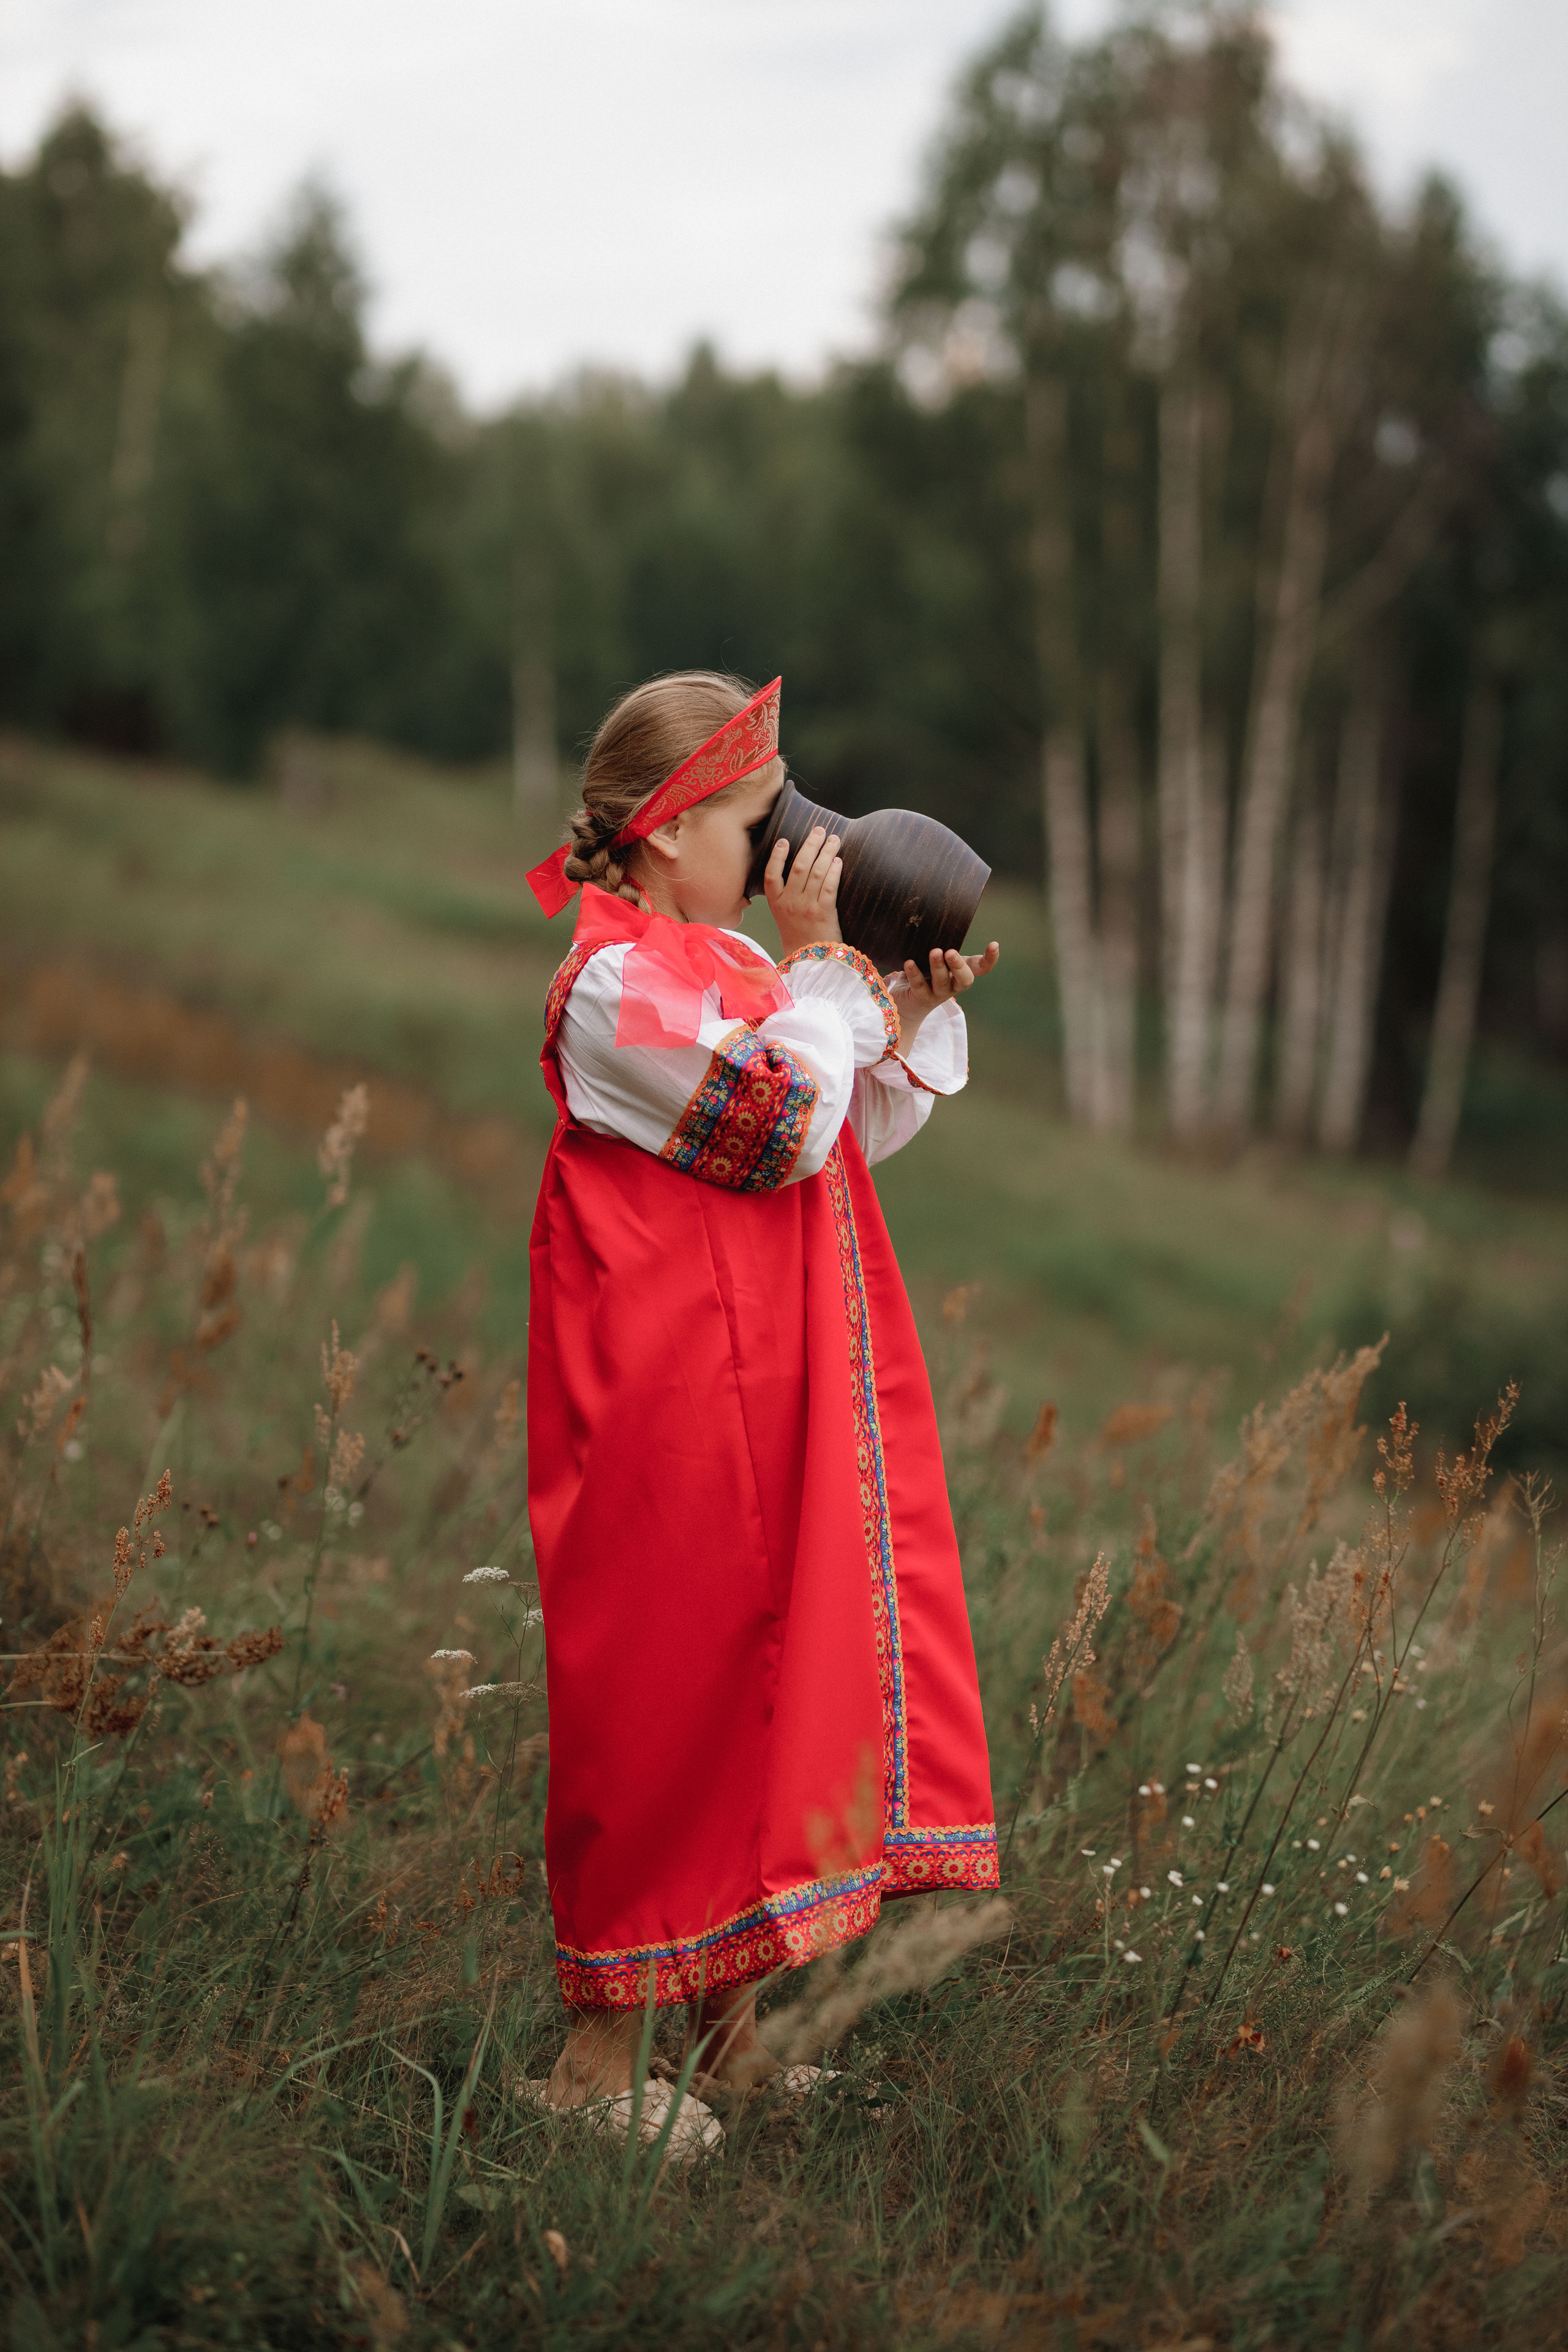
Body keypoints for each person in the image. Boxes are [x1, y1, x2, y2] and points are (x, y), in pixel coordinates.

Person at [524, 671, 1000, 2143]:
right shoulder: (610, 987)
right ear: (664, 835)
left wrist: (890, 1006)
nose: (795, 843)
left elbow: (842, 1134)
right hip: (661, 1412)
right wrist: (818, 979)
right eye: (756, 815)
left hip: (756, 1403)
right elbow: (775, 1126)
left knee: (755, 1689)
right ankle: (593, 2076)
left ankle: (722, 2044)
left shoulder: (737, 971)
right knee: (658, 1705)